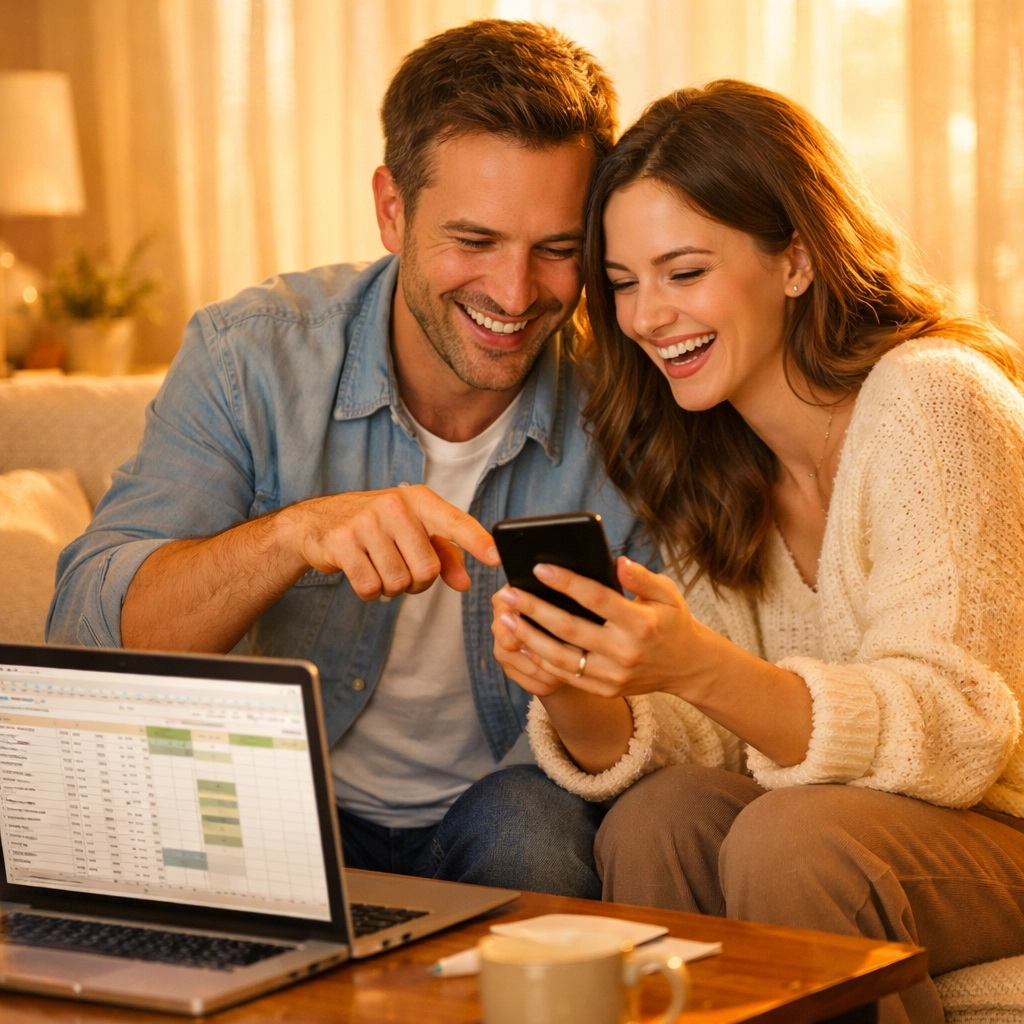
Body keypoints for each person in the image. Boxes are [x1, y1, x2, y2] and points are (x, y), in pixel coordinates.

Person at [47, 20, 656, 898]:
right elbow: (85, 634)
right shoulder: (249, 355)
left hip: (512, 797)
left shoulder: (631, 402)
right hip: (280, 793)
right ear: (391, 210)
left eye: (557, 250)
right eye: (474, 241)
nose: (515, 293)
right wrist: (292, 536)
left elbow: (656, 719)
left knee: (528, 837)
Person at [491, 80, 1024, 1022]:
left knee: (794, 841)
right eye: (624, 283)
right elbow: (711, 738)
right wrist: (577, 685)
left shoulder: (936, 400)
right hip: (854, 820)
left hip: (998, 823)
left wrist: (700, 665)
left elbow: (959, 734)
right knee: (656, 820)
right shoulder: (713, 456)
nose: (646, 317)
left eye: (684, 271)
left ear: (797, 261)